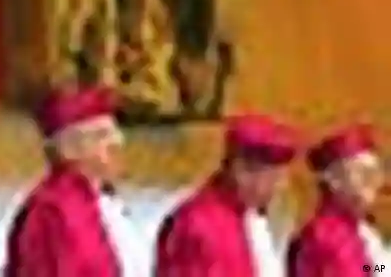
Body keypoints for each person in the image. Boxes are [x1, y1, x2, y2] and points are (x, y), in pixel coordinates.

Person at [1, 85, 149, 276]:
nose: (117, 142)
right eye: (101, 135)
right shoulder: (51, 211)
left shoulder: (105, 201)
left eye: (115, 132)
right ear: (69, 150)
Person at [155, 114, 300, 276]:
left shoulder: (236, 216)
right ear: (241, 170)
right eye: (274, 178)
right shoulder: (202, 223)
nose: (279, 187)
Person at [287, 124, 389, 276]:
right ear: (334, 180)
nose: (372, 181)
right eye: (362, 172)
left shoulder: (360, 228)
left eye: (375, 172)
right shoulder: (324, 236)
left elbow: (372, 268)